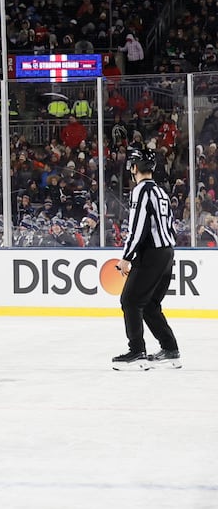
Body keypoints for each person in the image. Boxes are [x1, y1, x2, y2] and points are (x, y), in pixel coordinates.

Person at [112, 149, 181, 368]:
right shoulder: (161, 192)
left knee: (130, 301)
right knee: (150, 304)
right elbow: (169, 225)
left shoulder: (140, 191)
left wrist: (126, 257)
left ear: (134, 168)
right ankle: (170, 349)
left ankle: (137, 351)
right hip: (166, 252)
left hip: (151, 253)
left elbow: (137, 228)